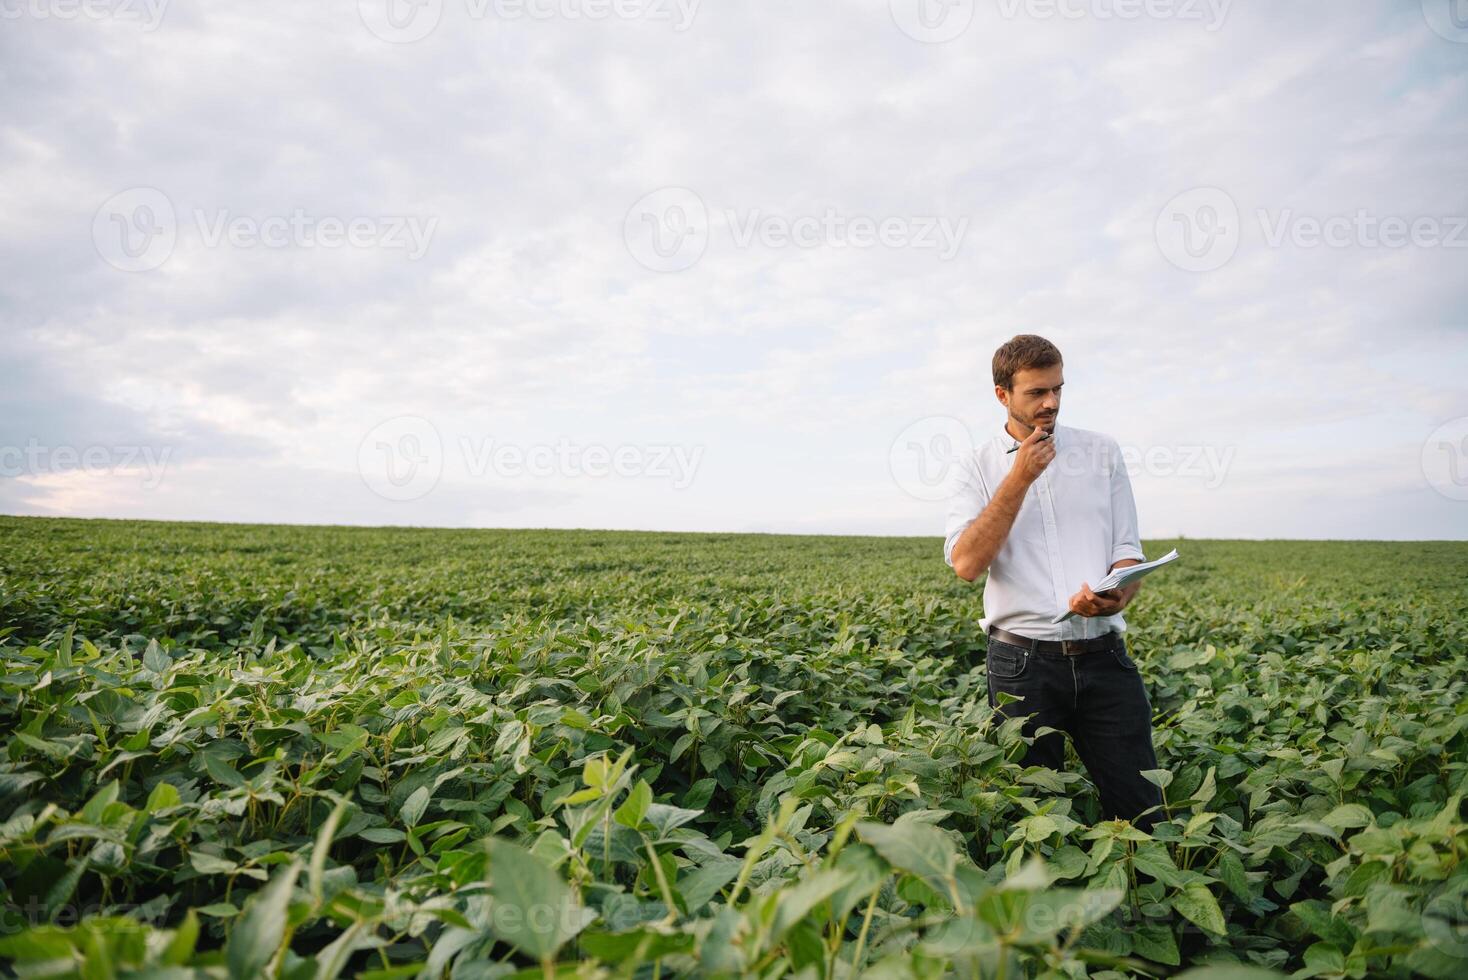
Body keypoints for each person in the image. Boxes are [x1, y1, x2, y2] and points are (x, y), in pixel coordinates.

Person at [943, 334, 1164, 831]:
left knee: (1142, 809)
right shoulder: (975, 466)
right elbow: (966, 563)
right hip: (1022, 666)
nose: (1051, 403)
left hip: (1105, 656)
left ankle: (1138, 904)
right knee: (1032, 822)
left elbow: (1127, 548)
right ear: (1002, 394)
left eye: (1058, 389)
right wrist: (1019, 476)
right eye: (1036, 392)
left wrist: (1116, 596)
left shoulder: (1101, 452)